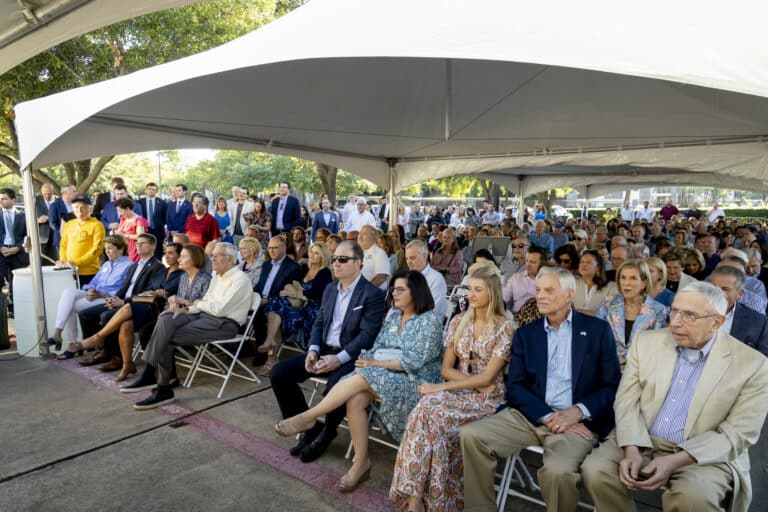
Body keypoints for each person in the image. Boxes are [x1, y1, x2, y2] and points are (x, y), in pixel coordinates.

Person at [581, 281, 768, 512]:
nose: (676, 322)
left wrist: (675, 461)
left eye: (690, 315)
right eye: (675, 311)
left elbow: (739, 433)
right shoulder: (647, 342)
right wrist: (631, 448)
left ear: (717, 322)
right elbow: (626, 401)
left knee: (694, 498)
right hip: (642, 438)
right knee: (596, 470)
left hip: (703, 453)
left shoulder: (753, 364)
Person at [461, 266, 621, 511]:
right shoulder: (527, 333)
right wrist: (547, 415)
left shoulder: (597, 331)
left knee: (557, 472)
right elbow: (515, 386)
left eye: (549, 290)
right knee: (472, 435)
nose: (541, 296)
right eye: (538, 290)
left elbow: (611, 386)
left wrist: (577, 412)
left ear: (569, 294)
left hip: (576, 423)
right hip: (531, 415)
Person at [275, 270, 443, 491]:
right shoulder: (393, 317)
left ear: (417, 292)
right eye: (393, 289)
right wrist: (376, 360)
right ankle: (361, 462)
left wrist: (377, 363)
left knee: (363, 374)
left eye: (401, 289)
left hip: (415, 382)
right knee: (355, 398)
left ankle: (309, 416)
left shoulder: (429, 320)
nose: (394, 293)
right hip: (385, 376)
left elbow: (414, 361)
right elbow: (375, 348)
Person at [390, 264, 515, 512]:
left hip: (488, 401)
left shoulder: (505, 327)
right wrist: (467, 384)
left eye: (478, 289)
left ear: (493, 293)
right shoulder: (459, 321)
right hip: (463, 392)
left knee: (429, 411)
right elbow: (446, 369)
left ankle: (420, 499)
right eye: (469, 288)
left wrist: (443, 387)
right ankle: (420, 500)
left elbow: (489, 378)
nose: (470, 294)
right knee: (425, 412)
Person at [270, 240, 387, 463]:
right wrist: (313, 349)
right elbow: (319, 322)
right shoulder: (331, 288)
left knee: (337, 385)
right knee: (279, 374)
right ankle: (309, 428)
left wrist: (338, 358)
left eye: (343, 259)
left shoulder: (372, 294)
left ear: (358, 263)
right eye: (334, 259)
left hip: (352, 356)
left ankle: (326, 434)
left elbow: (367, 335)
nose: (336, 263)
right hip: (323, 350)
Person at [121, 242, 252, 409]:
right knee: (167, 318)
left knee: (165, 336)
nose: (212, 259)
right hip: (204, 316)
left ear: (230, 259)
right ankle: (155, 379)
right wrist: (187, 309)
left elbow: (219, 309)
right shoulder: (217, 277)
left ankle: (160, 386)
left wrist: (195, 304)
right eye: (212, 255)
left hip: (224, 324)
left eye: (216, 255)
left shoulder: (240, 279)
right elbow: (205, 304)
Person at [69, 243, 199, 381]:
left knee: (125, 308)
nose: (167, 256)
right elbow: (146, 291)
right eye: (166, 252)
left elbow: (170, 293)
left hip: (158, 309)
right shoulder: (163, 272)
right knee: (126, 324)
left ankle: (97, 338)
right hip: (145, 305)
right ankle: (127, 364)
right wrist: (150, 292)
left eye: (171, 253)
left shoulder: (181, 275)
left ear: (179, 256)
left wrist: (155, 294)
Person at [72, 233, 165, 367]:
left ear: (153, 246)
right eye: (137, 243)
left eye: (142, 243)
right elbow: (123, 289)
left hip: (138, 306)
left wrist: (123, 302)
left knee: (105, 316)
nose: (138, 245)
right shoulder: (134, 266)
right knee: (85, 314)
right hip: (121, 301)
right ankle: (102, 351)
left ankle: (117, 357)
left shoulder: (158, 267)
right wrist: (113, 298)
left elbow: (149, 294)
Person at [258, 242, 334, 375]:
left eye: (317, 253)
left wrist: (297, 293)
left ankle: (271, 356)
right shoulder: (304, 268)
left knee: (278, 310)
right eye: (311, 252)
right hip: (296, 305)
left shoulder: (325, 272)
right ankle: (271, 350)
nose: (312, 255)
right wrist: (292, 290)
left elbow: (317, 293)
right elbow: (290, 283)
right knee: (277, 309)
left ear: (323, 256)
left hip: (312, 309)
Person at [48, 235, 131, 351]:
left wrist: (100, 294)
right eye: (105, 248)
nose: (106, 251)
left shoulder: (129, 265)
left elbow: (123, 290)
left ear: (121, 248)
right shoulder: (106, 265)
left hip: (108, 298)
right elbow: (94, 282)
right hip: (95, 294)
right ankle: (58, 332)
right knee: (68, 293)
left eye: (110, 248)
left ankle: (71, 343)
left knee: (69, 306)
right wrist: (90, 291)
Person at [596, 260, 667, 366]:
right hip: (608, 366)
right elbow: (596, 338)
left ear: (644, 283)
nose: (626, 283)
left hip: (640, 368)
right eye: (623, 278)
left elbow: (656, 347)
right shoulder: (607, 303)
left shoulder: (658, 309)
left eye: (633, 278)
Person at [709, 265, 768, 357]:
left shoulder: (759, 322)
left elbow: (763, 359)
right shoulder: (688, 312)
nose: (717, 293)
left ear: (739, 294)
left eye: (725, 289)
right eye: (713, 288)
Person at [57, 194, 105, 286]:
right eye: (76, 207)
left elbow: (97, 250)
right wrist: (63, 261)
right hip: (68, 271)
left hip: (88, 273)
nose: (79, 210)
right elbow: (63, 245)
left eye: (83, 207)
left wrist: (76, 263)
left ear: (90, 209)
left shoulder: (97, 225)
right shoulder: (69, 224)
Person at [404, 239, 448, 319]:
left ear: (424, 256)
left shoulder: (436, 279)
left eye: (412, 258)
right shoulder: (405, 277)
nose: (408, 262)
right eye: (407, 258)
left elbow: (431, 310)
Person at [0, 188, 29, 303]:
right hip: (1, 253)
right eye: (0, 199)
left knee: (17, 283)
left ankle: (14, 309)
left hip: (18, 253)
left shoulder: (23, 215)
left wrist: (17, 248)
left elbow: (28, 236)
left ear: (13, 199)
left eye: (4, 199)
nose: (1, 201)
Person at [503, 245, 546, 314]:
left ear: (542, 264)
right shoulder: (516, 278)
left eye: (533, 262)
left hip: (538, 317)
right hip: (515, 316)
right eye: (527, 261)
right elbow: (504, 297)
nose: (528, 265)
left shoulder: (548, 281)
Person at [573, 249, 616, 315]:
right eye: (582, 262)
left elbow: (611, 314)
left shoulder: (611, 287)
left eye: (588, 262)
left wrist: (577, 313)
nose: (584, 264)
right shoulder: (572, 284)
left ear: (598, 267)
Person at [137, 182, 167, 260]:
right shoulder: (139, 203)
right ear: (146, 190)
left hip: (158, 231)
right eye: (149, 189)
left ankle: (158, 268)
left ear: (156, 191)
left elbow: (165, 217)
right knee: (145, 250)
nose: (151, 191)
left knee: (158, 252)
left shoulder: (162, 203)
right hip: (145, 230)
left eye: (154, 189)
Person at [114, 198, 149, 262]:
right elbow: (120, 232)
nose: (120, 213)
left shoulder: (138, 220)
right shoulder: (123, 219)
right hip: (123, 248)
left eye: (121, 211)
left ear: (127, 209)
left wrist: (125, 235)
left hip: (134, 250)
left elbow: (140, 236)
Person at [48, 184, 77, 260]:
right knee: (63, 263)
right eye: (73, 191)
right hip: (61, 239)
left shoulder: (76, 205)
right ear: (64, 193)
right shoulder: (55, 206)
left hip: (76, 239)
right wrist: (64, 232)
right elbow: (52, 223)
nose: (76, 193)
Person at [35, 182, 56, 262]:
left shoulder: (59, 201)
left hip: (56, 236)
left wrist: (48, 218)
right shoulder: (35, 201)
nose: (47, 196)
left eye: (49, 194)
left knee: (56, 260)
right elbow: (28, 218)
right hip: (42, 237)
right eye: (45, 194)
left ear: (53, 192)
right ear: (41, 192)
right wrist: (37, 220)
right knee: (41, 261)